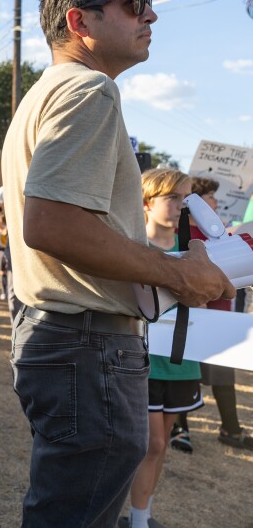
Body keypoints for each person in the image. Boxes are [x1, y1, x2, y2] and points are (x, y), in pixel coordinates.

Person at [1, 0, 233, 527]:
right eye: (133, 3)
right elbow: (52, 225)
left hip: (66, 339)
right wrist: (178, 273)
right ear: (80, 22)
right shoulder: (90, 92)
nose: (149, 15)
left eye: (146, 2)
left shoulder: (48, 92)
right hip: (87, 343)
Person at [120, 168, 203, 528]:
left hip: (184, 359)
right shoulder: (135, 249)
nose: (179, 206)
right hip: (143, 360)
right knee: (150, 444)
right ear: (147, 202)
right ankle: (137, 521)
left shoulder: (195, 249)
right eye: (172, 197)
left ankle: (143, 516)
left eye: (185, 198)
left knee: (162, 443)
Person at [171, 177, 253, 453]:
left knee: (222, 376)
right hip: (192, 317)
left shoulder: (220, 235)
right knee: (186, 372)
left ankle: (231, 429)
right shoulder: (180, 234)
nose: (216, 204)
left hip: (220, 317)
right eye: (210, 198)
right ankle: (180, 427)